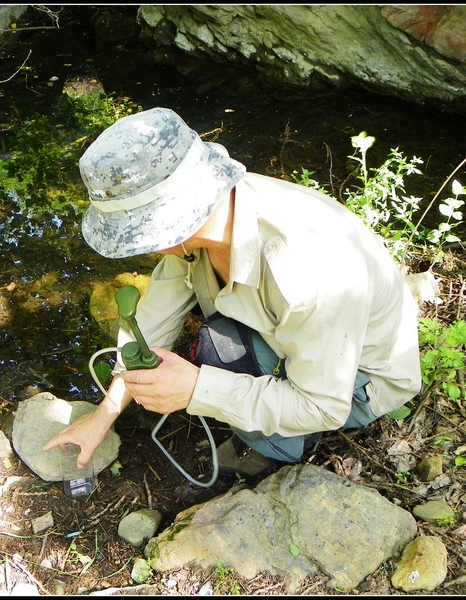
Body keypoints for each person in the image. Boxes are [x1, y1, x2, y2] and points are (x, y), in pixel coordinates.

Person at [44, 107, 421, 479]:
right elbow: (154, 320)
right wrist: (104, 415)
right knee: (217, 343)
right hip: (312, 338)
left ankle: (277, 447)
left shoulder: (310, 271)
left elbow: (322, 406)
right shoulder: (211, 217)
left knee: (214, 352)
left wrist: (196, 389)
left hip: (357, 381)